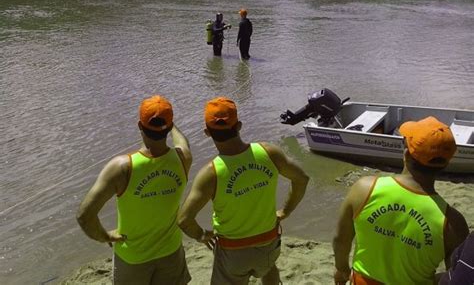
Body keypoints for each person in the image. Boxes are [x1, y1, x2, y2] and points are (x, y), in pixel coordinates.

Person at [178, 97, 309, 285]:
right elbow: (302, 179)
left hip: (233, 251)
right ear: (238, 126)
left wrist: (201, 235)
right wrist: (285, 211)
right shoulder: (268, 152)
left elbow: (184, 219)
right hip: (269, 242)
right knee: (269, 267)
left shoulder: (211, 173)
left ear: (207, 132)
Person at [333, 116, 469, 285]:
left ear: (406, 155)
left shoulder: (365, 188)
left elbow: (340, 240)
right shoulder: (453, 223)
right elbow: (457, 277)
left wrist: (342, 269)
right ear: (446, 163)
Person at [76, 96, 193, 285]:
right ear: (169, 127)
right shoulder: (182, 158)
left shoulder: (122, 167)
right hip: (171, 252)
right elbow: (183, 142)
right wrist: (170, 125)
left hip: (133, 258)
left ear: (140, 126)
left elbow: (84, 215)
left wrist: (105, 236)